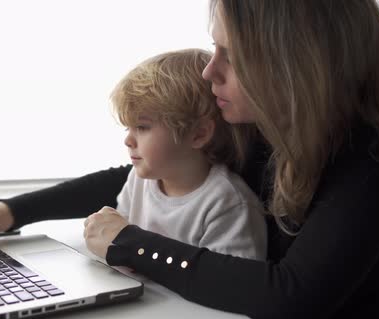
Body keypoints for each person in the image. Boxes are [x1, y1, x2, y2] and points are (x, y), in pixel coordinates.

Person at [0, 1, 379, 319]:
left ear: (296, 65)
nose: (210, 72)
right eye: (215, 49)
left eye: (234, 57)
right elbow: (137, 176)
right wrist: (12, 210)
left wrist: (129, 244)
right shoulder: (268, 127)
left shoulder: (369, 158)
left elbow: (289, 299)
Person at [110, 49, 266, 260]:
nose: (128, 140)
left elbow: (233, 285)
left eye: (142, 127)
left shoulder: (227, 203)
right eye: (127, 128)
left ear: (198, 134)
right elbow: (117, 241)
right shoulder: (138, 181)